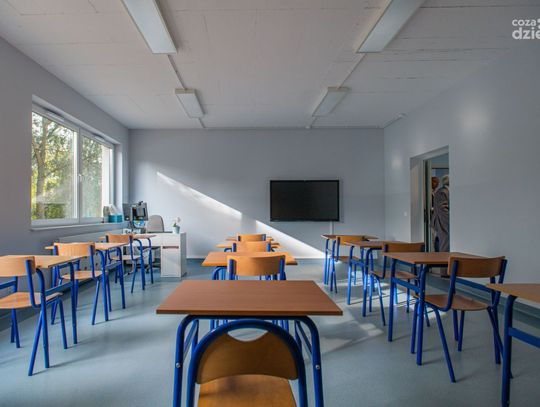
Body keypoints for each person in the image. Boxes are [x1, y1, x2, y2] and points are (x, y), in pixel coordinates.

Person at [432, 175, 450, 252]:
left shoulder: (444, 191)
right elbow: (443, 210)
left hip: (443, 223)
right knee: (445, 243)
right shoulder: (442, 192)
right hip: (442, 223)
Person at [430, 176, 440, 251]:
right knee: (432, 237)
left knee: (436, 236)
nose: (436, 184)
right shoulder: (428, 193)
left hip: (436, 219)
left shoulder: (436, 192)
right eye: (434, 182)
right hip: (431, 219)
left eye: (437, 182)